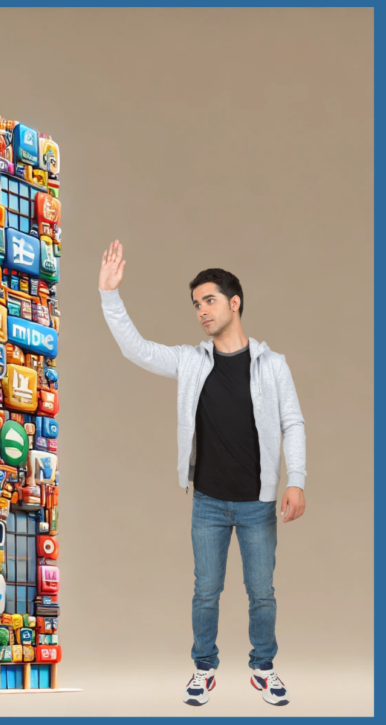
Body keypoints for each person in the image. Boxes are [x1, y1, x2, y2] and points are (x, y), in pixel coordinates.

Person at [98, 240, 306, 707]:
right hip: (208, 502)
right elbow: (138, 350)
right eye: (196, 305)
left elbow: (293, 422)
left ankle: (263, 668)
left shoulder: (273, 366)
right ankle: (204, 669)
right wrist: (110, 295)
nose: (202, 312)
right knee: (206, 592)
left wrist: (297, 480)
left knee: (262, 593)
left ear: (235, 303)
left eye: (209, 300)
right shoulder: (192, 362)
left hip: (258, 503)